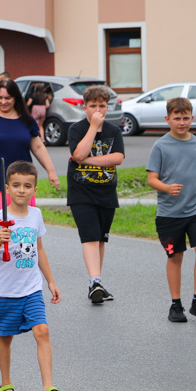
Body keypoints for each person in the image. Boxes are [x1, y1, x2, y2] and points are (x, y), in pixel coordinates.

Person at [0, 160, 75, 391]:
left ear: (34, 189)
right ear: (7, 188)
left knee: (42, 330)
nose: (22, 190)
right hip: (5, 290)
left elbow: (39, 250)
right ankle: (6, 384)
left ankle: (49, 389)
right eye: (16, 185)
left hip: (31, 288)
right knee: (6, 336)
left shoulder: (36, 215)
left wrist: (51, 281)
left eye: (27, 186)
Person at [0, 79, 59, 280]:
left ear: (16, 98)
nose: (3, 102)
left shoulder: (27, 120)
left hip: (22, 180)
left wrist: (51, 171)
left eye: (8, 98)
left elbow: (38, 147)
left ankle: (18, 259)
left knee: (20, 222)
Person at [146, 97, 196, 323]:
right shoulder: (160, 146)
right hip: (169, 214)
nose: (182, 122)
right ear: (168, 119)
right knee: (175, 255)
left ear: (192, 118)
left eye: (186, 118)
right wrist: (166, 187)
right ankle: (176, 305)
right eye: (177, 118)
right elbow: (151, 179)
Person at [67, 86, 124, 304]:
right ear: (85, 107)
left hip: (107, 192)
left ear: (107, 107)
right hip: (81, 191)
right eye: (93, 106)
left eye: (102, 105)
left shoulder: (114, 131)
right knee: (90, 235)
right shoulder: (77, 129)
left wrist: (86, 160)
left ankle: (97, 281)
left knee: (100, 237)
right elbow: (78, 152)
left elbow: (117, 158)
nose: (98, 109)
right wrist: (93, 127)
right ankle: (95, 281)